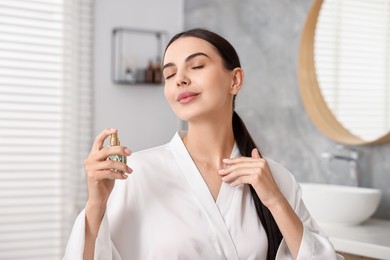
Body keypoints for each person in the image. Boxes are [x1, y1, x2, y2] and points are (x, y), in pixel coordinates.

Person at [63, 28, 343, 260]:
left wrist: (275, 201)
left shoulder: (274, 178)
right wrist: (96, 204)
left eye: (196, 66)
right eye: (170, 75)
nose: (181, 79)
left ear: (235, 80)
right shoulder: (134, 174)